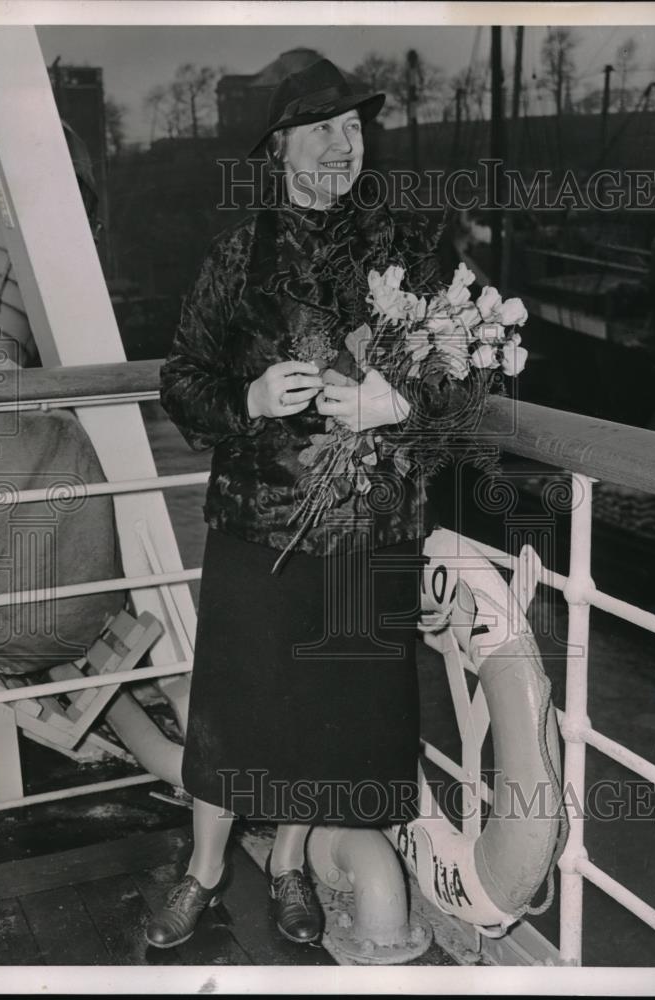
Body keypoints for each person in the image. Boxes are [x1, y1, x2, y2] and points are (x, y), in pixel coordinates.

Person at [148, 58, 468, 951]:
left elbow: (468, 370)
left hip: (369, 528)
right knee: (234, 709)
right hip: (260, 524)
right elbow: (182, 377)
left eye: (353, 127)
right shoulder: (236, 254)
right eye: (321, 127)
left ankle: (289, 863)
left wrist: (394, 403)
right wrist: (246, 400)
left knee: (329, 717)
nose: (342, 144)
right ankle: (204, 871)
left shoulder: (409, 245)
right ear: (280, 146)